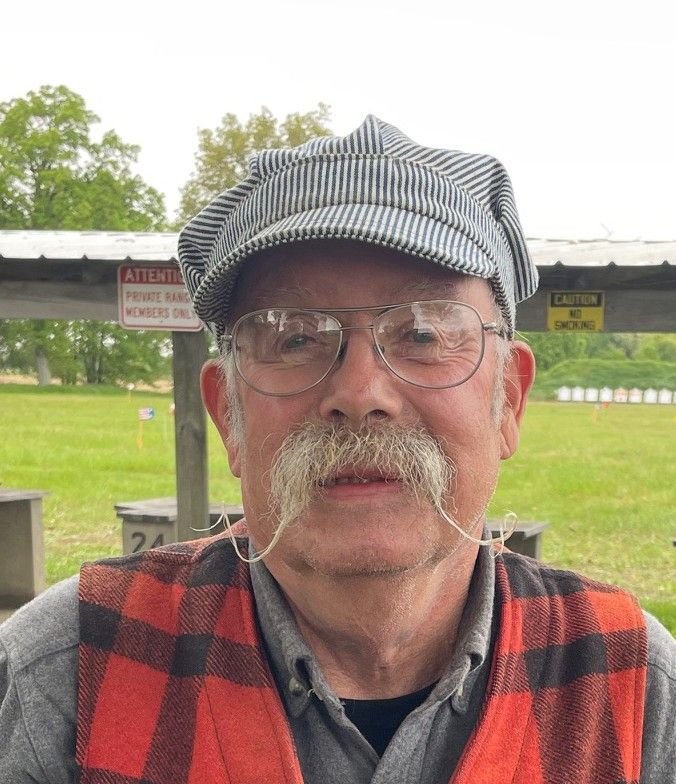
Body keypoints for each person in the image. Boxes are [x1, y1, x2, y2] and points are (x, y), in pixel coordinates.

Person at [0, 116, 673, 784]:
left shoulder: (633, 683)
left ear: (509, 402)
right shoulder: (64, 675)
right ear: (228, 415)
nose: (359, 393)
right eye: (295, 337)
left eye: (423, 333)